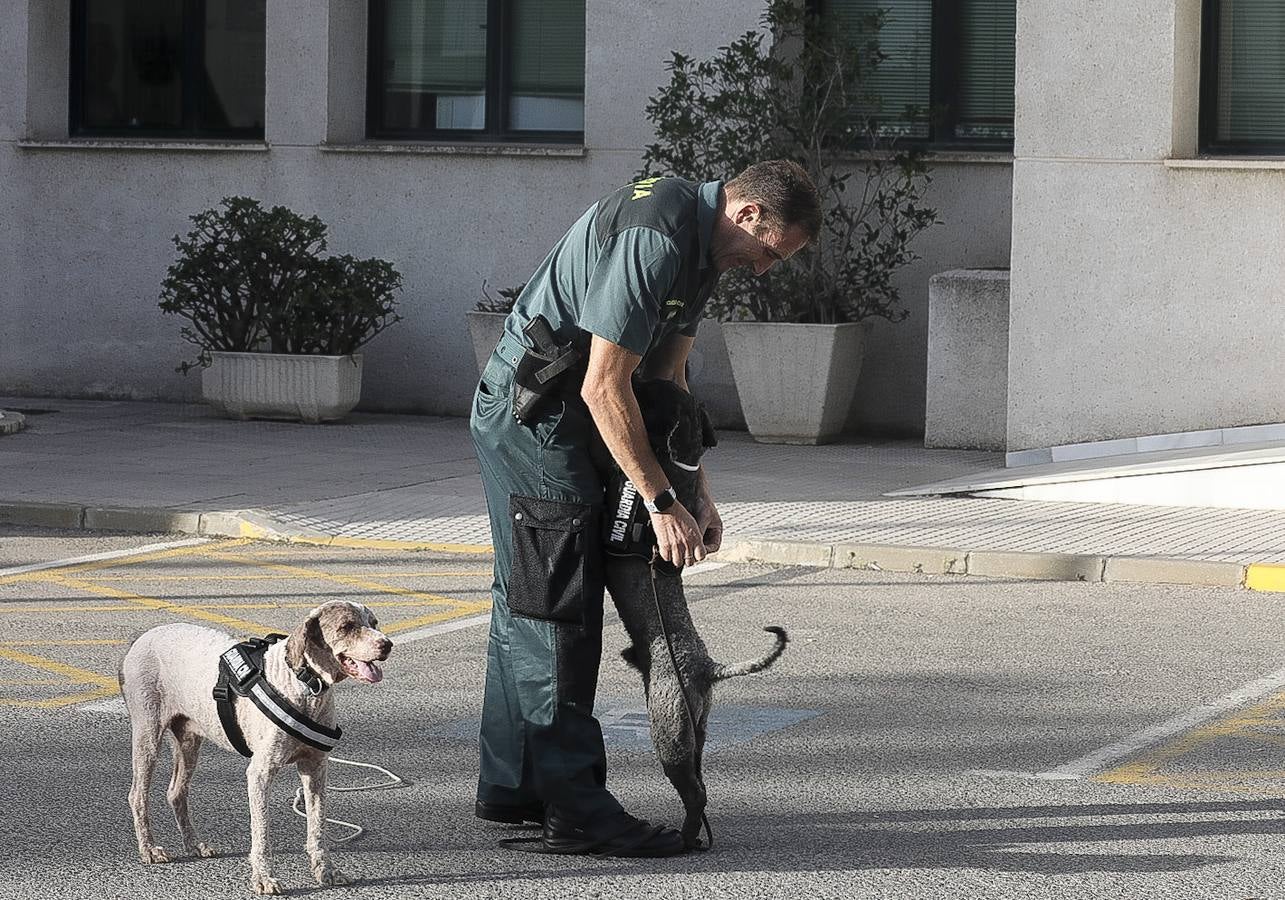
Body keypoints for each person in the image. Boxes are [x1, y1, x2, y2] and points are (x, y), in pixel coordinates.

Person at [469, 160, 821, 857]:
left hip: (573, 415)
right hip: (536, 419)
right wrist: (659, 502)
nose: (763, 268)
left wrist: (696, 491)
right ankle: (575, 810)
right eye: (769, 251)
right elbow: (606, 385)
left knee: (529, 603)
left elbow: (666, 382)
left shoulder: (702, 249)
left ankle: (514, 787)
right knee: (556, 612)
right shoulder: (656, 236)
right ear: (748, 213)